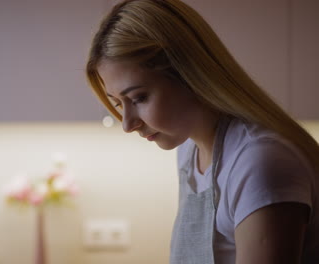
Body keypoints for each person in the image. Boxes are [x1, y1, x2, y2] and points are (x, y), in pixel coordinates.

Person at [85, 0, 319, 263]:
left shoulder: (258, 162)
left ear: (189, 74)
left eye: (138, 98)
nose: (127, 124)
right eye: (118, 103)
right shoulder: (190, 149)